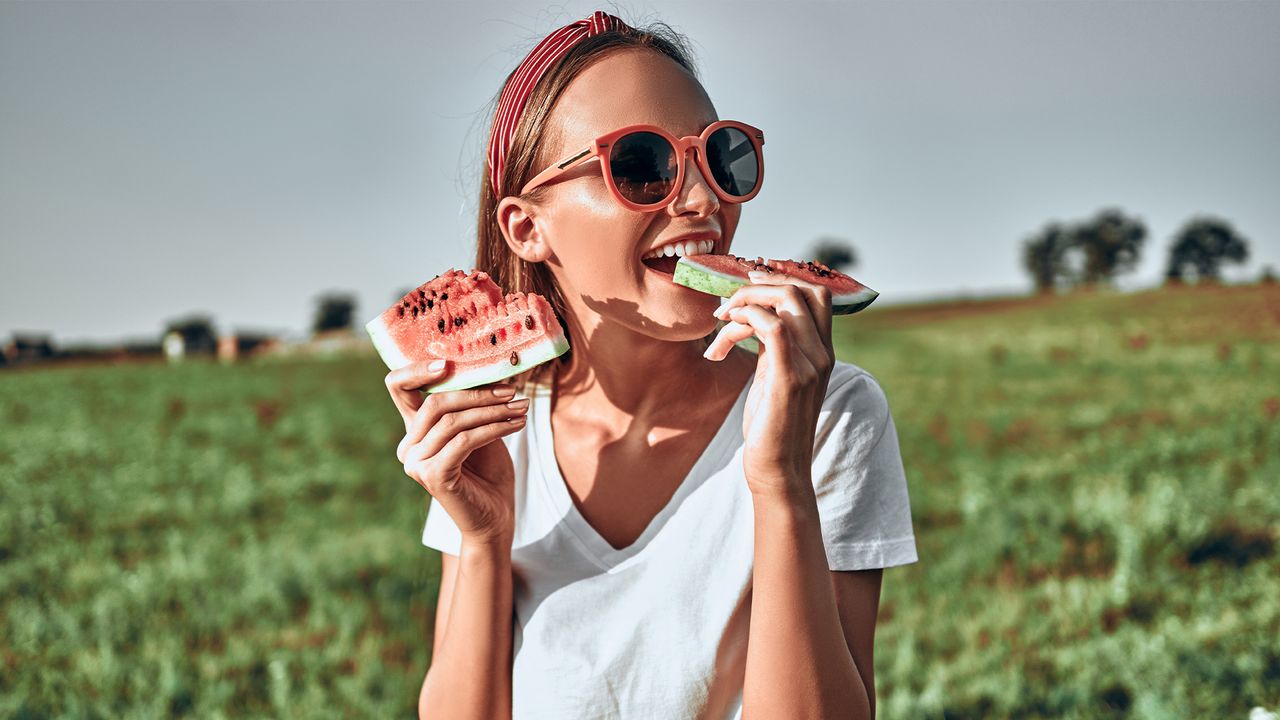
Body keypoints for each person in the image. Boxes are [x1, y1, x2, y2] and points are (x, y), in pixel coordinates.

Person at [382, 11, 917, 719]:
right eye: (640, 166)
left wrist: (780, 481)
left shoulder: (830, 415)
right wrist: (484, 538)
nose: (701, 201)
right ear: (527, 227)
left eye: (720, 157)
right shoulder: (491, 422)